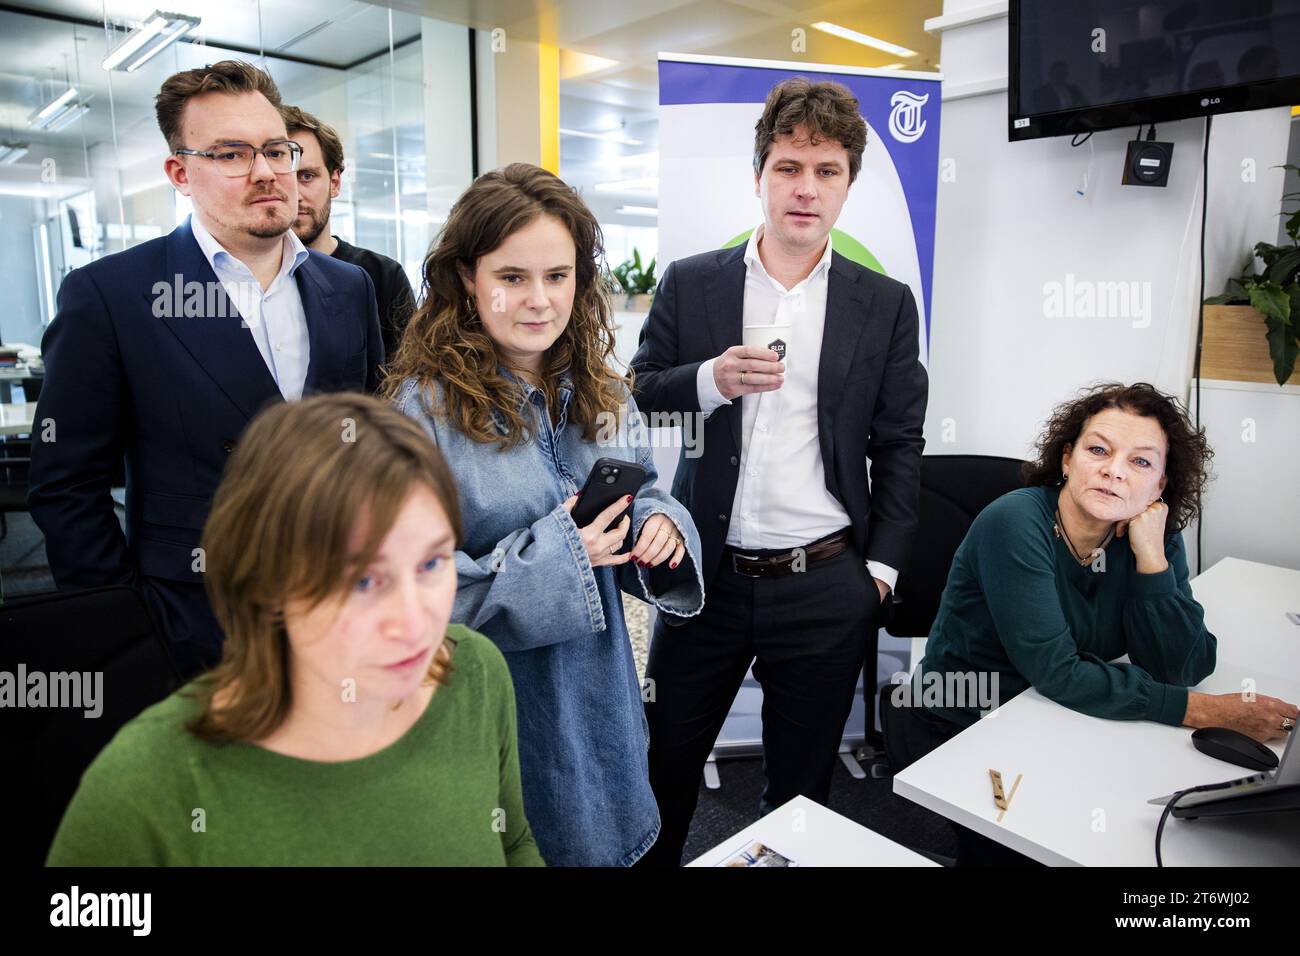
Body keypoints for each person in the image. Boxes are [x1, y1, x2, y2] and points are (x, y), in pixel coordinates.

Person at [630, 77, 928, 865]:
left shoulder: (886, 303)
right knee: (662, 767)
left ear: (848, 183)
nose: (806, 188)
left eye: (826, 170)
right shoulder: (695, 281)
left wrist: (881, 574)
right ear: (759, 174)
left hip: (828, 583)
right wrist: (710, 380)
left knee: (800, 791)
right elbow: (641, 390)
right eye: (789, 166)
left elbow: (900, 441)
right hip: (706, 578)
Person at [47, 393, 542, 866]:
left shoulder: (474, 673)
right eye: (365, 580)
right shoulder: (144, 788)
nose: (416, 622)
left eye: (432, 562)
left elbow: (512, 842)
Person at [386, 162, 705, 867]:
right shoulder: (422, 415)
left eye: (558, 277)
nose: (538, 301)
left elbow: (643, 488)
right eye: (512, 277)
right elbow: (406, 604)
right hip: (500, 724)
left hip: (603, 710)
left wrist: (660, 526)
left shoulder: (599, 385)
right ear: (467, 278)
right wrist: (561, 553)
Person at [27, 60, 383, 681]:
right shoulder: (113, 295)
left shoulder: (347, 287)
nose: (267, 172)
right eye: (230, 154)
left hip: (338, 615)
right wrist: (128, 628)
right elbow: (66, 487)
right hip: (192, 627)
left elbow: (374, 444)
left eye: (276, 149)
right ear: (180, 172)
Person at [882, 382, 1298, 865]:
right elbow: (1058, 671)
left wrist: (1152, 560)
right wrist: (1210, 712)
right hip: (966, 720)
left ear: (1159, 486)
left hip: (1061, 716)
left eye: (1140, 462)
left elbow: (1181, 667)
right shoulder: (1015, 522)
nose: (1113, 471)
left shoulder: (1151, 533)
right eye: (1098, 449)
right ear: (1066, 459)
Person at [283, 104, 416, 368]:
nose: (295, 194)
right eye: (284, 177)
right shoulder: (255, 282)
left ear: (334, 182)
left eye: (307, 176)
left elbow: (405, 385)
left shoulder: (382, 276)